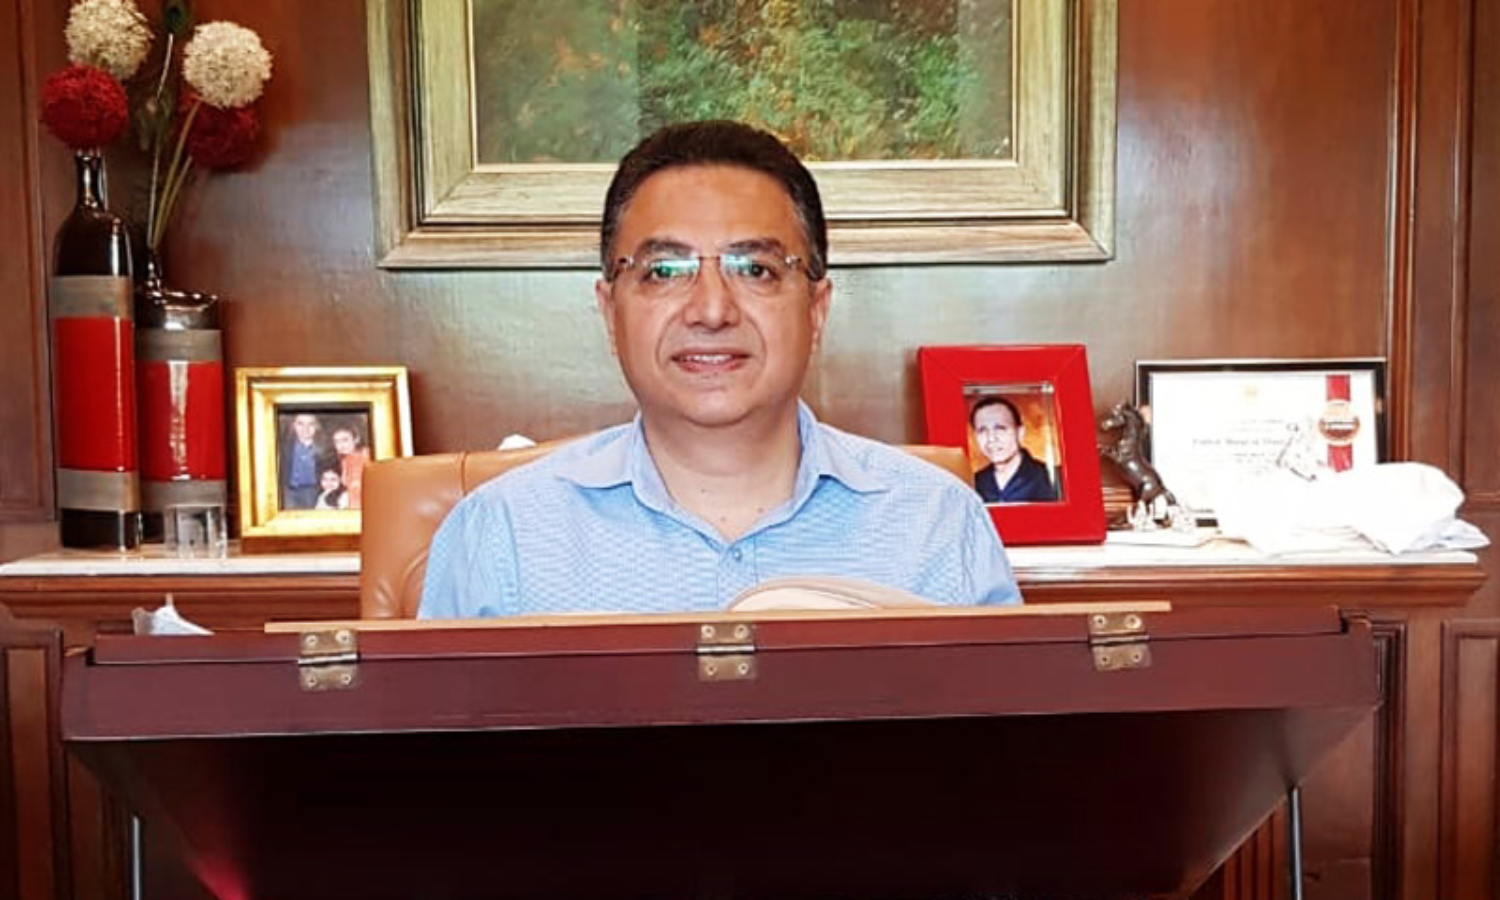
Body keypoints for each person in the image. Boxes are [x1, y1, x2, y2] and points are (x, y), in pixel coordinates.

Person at [419, 120, 1020, 618]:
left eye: (754, 270)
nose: (711, 310)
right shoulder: (501, 534)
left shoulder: (938, 523)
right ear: (609, 311)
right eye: (664, 271)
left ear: (816, 310)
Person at [970, 396, 1059, 504]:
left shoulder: (1052, 477)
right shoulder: (973, 483)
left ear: (1020, 432)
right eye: (982, 431)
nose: (991, 439)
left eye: (1000, 429)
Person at [280, 413, 335, 510]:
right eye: (300, 424)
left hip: (313, 492)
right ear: (294, 425)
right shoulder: (284, 446)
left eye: (311, 424)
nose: (305, 429)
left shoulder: (325, 448)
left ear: (317, 426)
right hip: (288, 492)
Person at [331, 425, 370, 510]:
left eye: (345, 440)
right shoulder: (344, 461)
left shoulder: (367, 455)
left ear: (356, 439)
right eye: (337, 442)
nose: (341, 445)